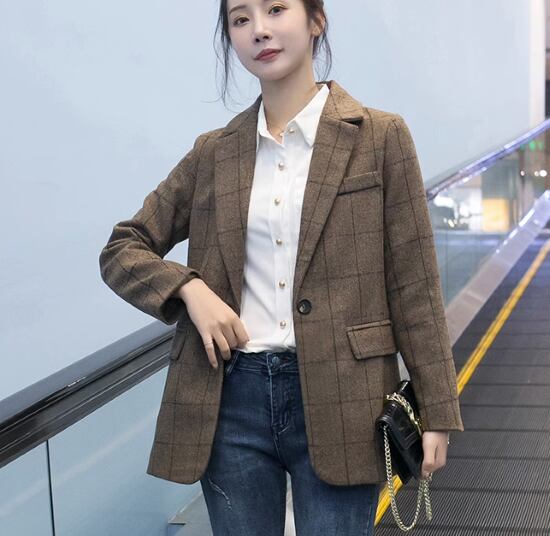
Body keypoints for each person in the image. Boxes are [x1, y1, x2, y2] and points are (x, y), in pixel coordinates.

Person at [99, 0, 464, 534]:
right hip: (232, 398)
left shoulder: (380, 137)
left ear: (316, 20)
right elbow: (122, 248)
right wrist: (189, 291)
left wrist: (437, 409)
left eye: (275, 9)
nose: (259, 30)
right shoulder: (214, 153)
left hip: (346, 394)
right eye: (240, 19)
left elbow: (415, 286)